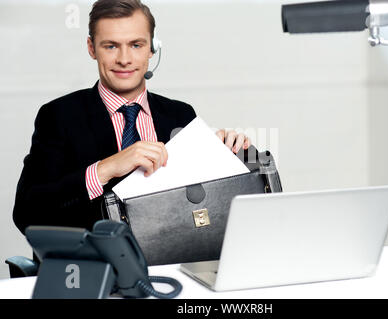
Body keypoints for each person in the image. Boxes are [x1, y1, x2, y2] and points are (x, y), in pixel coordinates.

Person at [13, 0, 250, 235]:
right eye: (111, 46)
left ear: (152, 48)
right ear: (91, 48)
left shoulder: (180, 115)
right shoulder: (58, 116)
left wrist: (225, 156)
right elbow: (27, 214)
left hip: (169, 263)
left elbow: (203, 209)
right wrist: (105, 168)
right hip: (95, 268)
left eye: (136, 45)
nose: (124, 59)